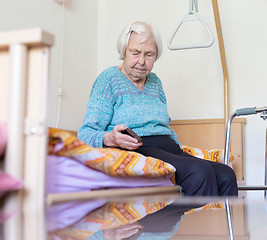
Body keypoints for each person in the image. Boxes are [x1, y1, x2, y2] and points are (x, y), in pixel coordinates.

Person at [78, 21, 238, 196]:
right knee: (198, 171)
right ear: (124, 51)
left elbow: (165, 125)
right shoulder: (108, 79)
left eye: (149, 55)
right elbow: (85, 133)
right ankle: (196, 223)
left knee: (225, 174)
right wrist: (111, 138)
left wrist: (178, 149)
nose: (141, 61)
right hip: (138, 149)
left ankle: (224, 223)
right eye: (135, 53)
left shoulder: (155, 81)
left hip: (168, 148)